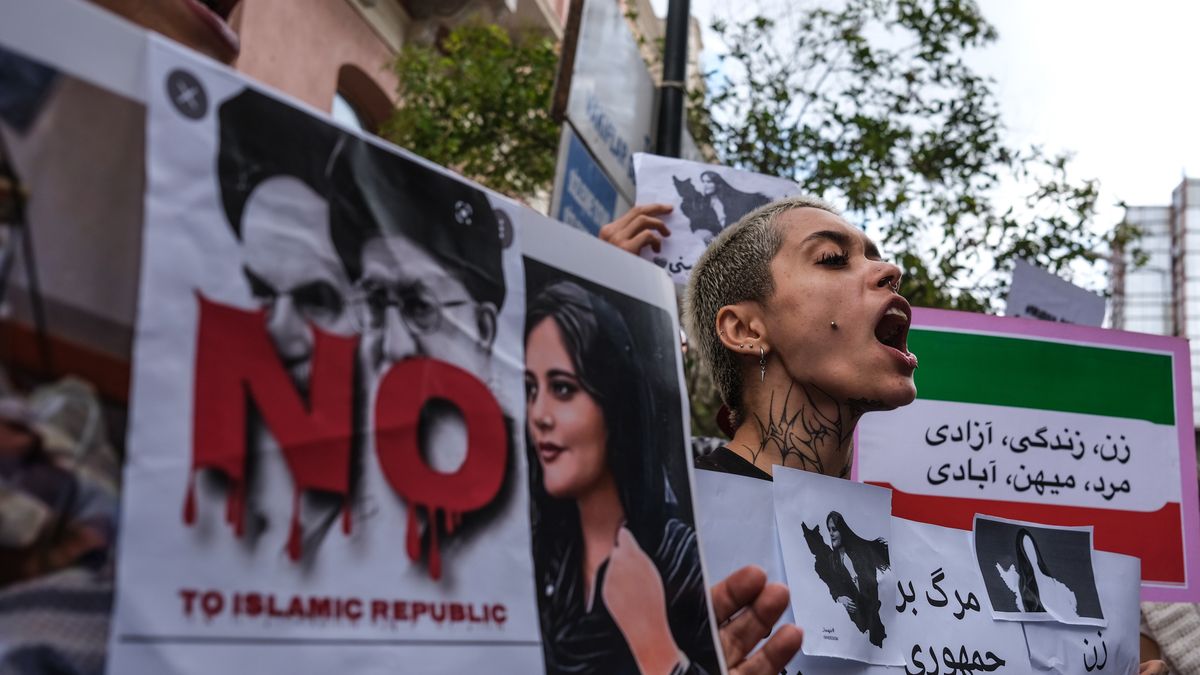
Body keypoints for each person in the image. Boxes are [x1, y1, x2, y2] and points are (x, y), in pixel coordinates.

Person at [525, 280, 718, 675]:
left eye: (562, 389)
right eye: (530, 389)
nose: (539, 414)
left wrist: (657, 650)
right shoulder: (545, 552)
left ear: (614, 402)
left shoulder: (683, 558)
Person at [802, 511, 889, 647]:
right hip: (856, 624)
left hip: (873, 612)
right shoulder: (832, 561)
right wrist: (839, 598)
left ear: (843, 531)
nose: (831, 533)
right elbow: (832, 584)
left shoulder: (859, 553)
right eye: (829, 530)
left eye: (834, 529)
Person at [995, 527, 1079, 618]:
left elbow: (1069, 603)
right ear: (1023, 555)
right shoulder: (1024, 586)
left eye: (1031, 548)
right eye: (1027, 550)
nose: (1031, 553)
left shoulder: (1051, 580)